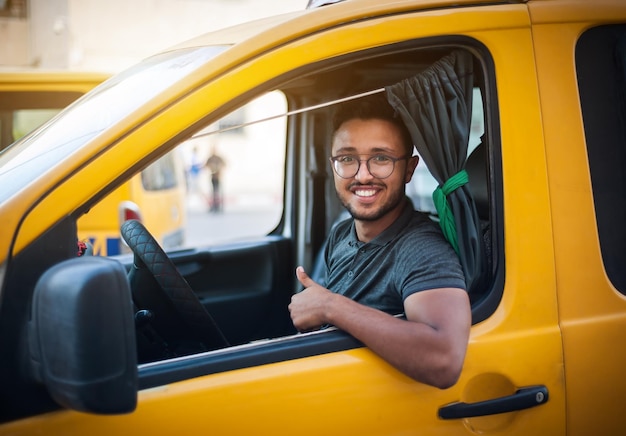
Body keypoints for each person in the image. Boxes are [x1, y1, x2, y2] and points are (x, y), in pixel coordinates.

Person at [288, 94, 471, 389]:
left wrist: (330, 307)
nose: (363, 175)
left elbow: (444, 360)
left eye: (381, 158)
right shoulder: (341, 233)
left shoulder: (421, 249)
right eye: (347, 159)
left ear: (409, 169)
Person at [205, 147, 225, 212]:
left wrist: (219, 168)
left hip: (218, 177)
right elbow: (206, 165)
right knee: (213, 193)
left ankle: (218, 206)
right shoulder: (210, 158)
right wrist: (211, 167)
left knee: (218, 192)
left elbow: (224, 164)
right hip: (213, 177)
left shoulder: (218, 158)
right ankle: (213, 206)